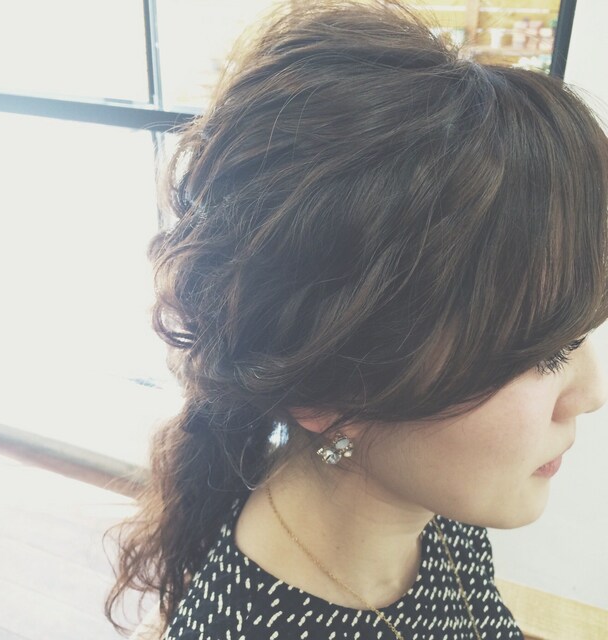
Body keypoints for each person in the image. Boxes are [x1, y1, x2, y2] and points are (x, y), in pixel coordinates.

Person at [104, 1, 608, 638]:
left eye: (579, 335)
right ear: (333, 386)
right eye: (542, 351)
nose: (591, 394)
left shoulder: (431, 503)